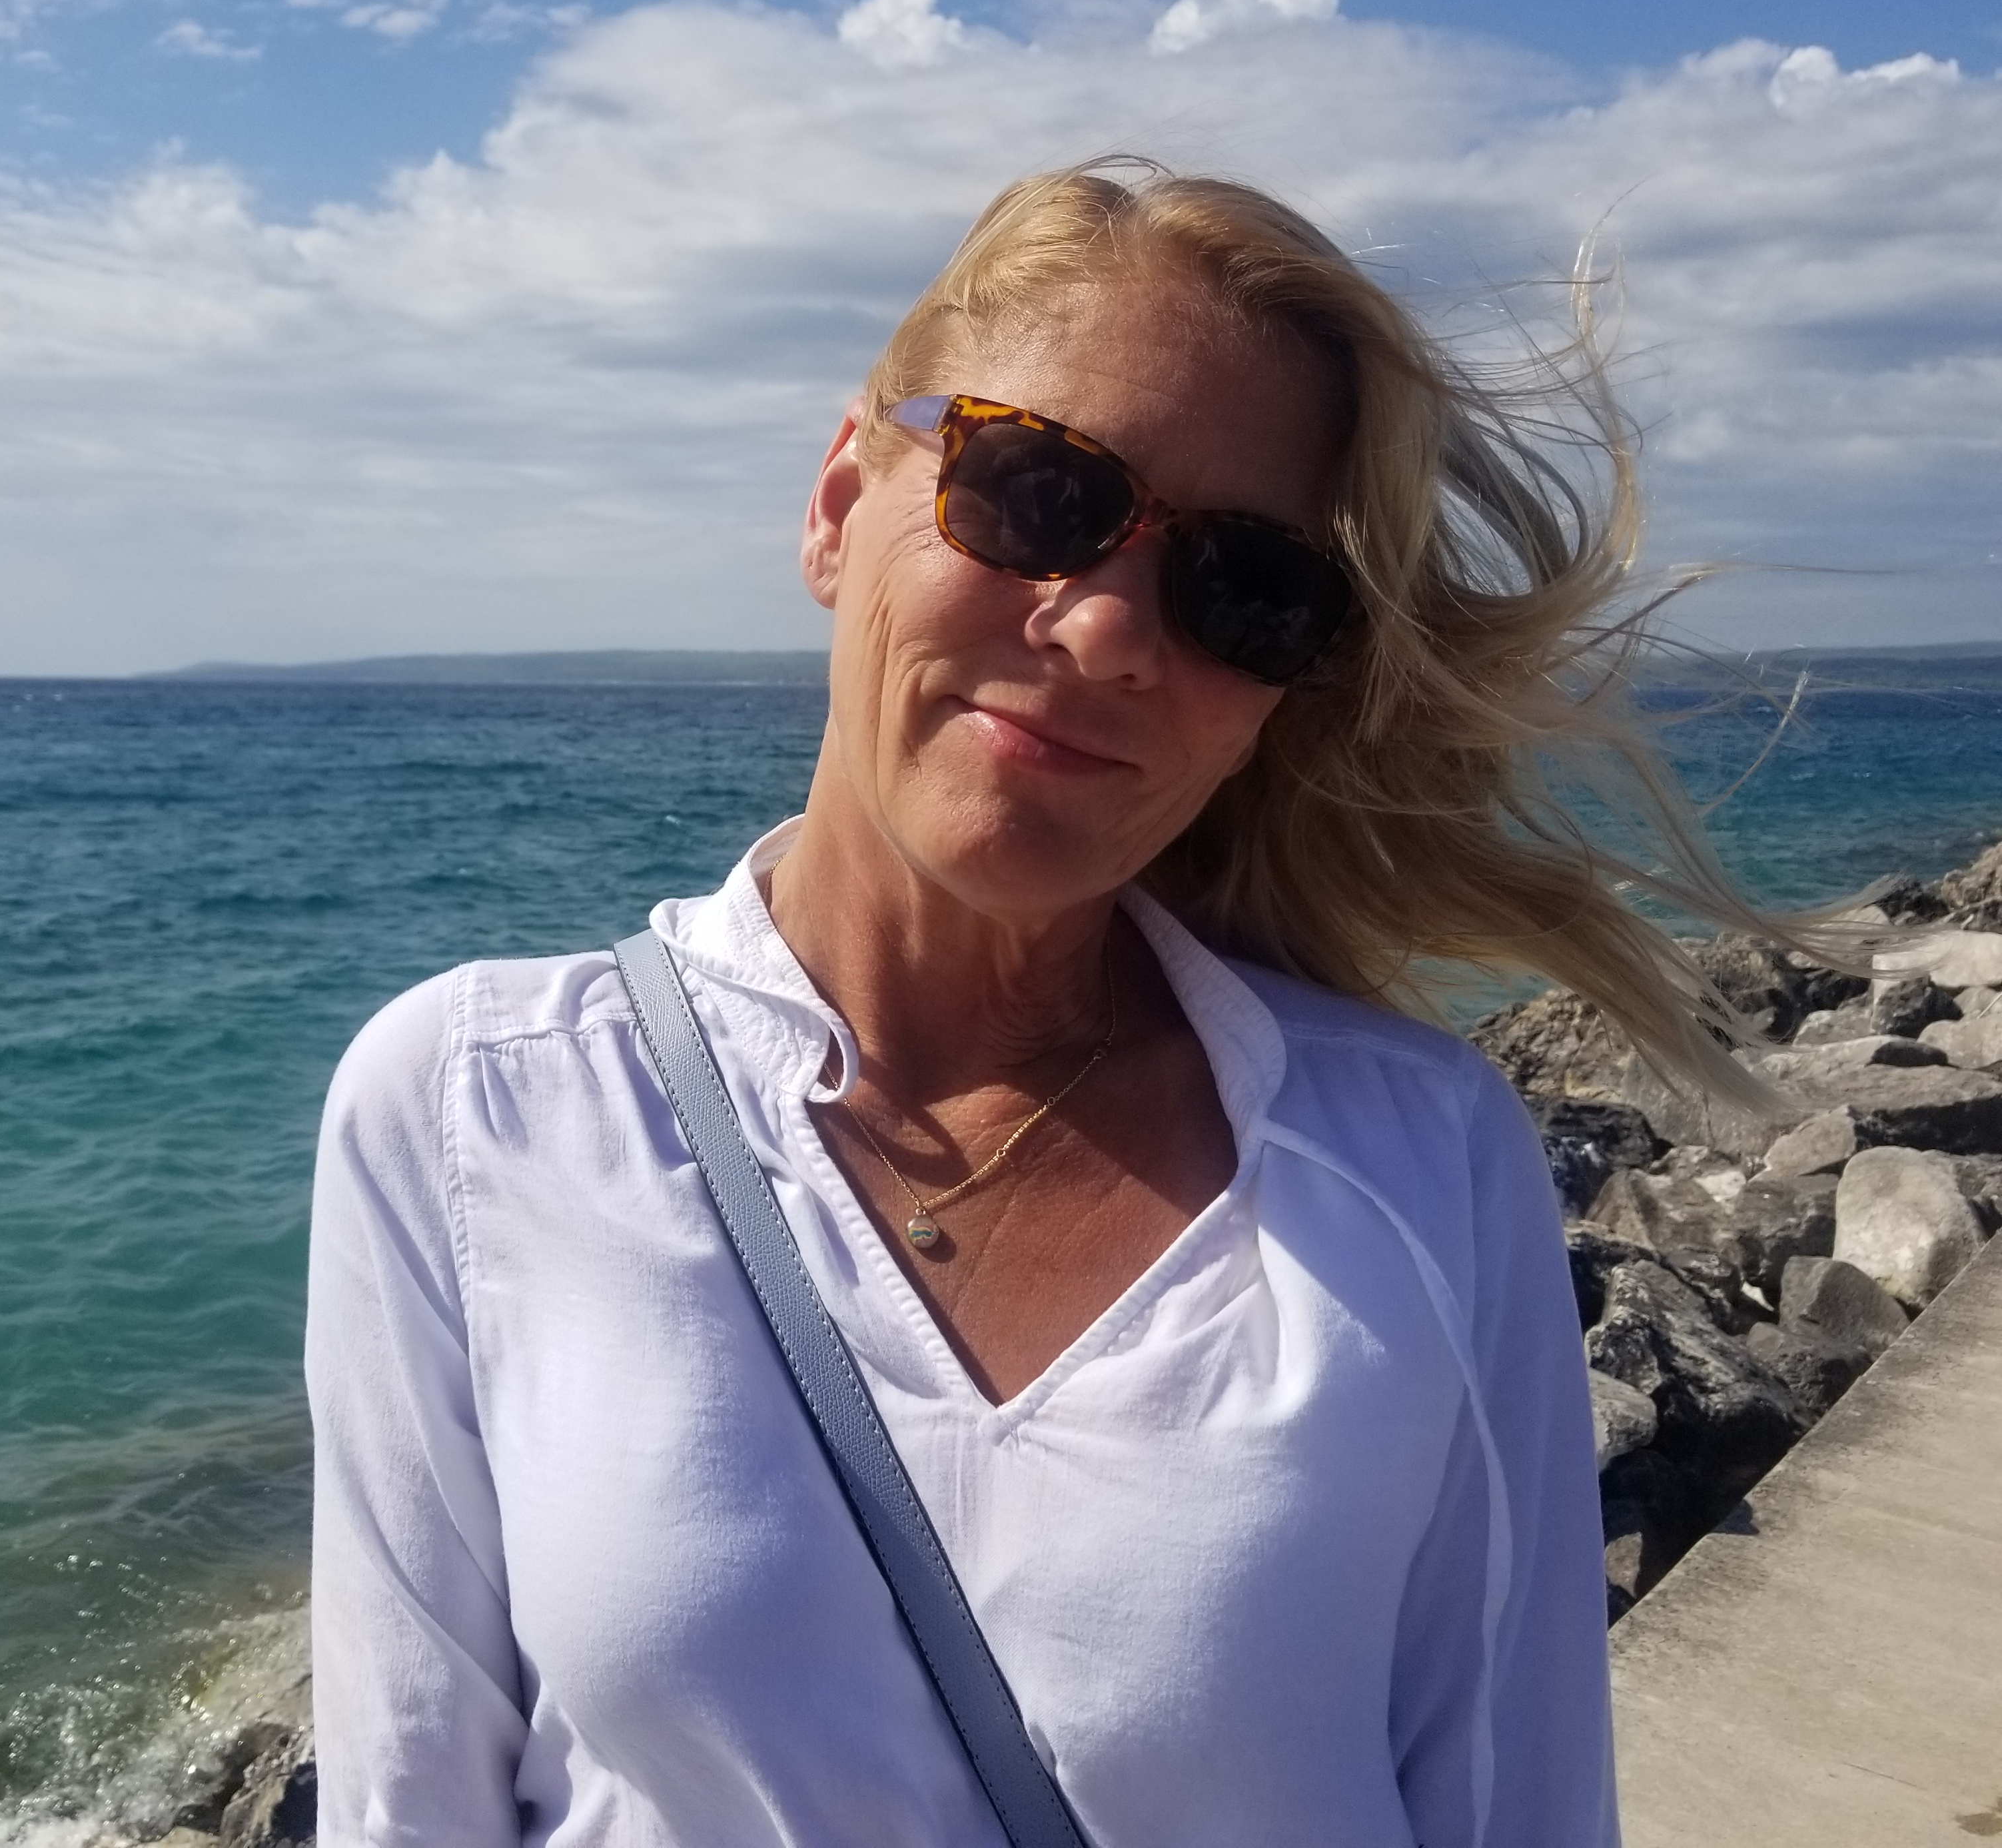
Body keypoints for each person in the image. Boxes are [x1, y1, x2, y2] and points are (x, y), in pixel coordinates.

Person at [306, 159, 1783, 1847]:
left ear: (1278, 692)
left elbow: (1518, 1812)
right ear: (838, 504)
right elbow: (407, 1803)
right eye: (1036, 491)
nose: (1105, 629)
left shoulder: (1421, 1161)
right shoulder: (476, 1107)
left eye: (1243, 589)